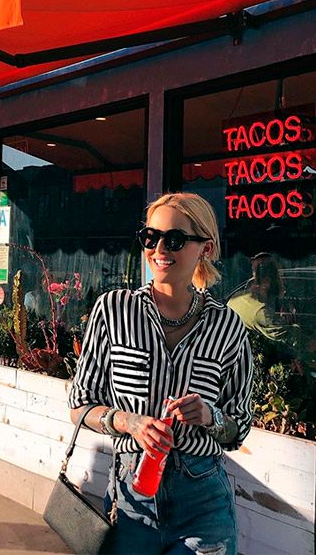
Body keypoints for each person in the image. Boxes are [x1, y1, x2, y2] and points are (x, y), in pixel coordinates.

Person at [68, 192, 253, 555]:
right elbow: (79, 405)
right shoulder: (115, 310)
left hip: (203, 500)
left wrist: (209, 415)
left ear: (205, 248)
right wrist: (129, 422)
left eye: (175, 240)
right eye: (150, 238)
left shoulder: (227, 326)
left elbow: (239, 425)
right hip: (131, 496)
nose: (159, 249)